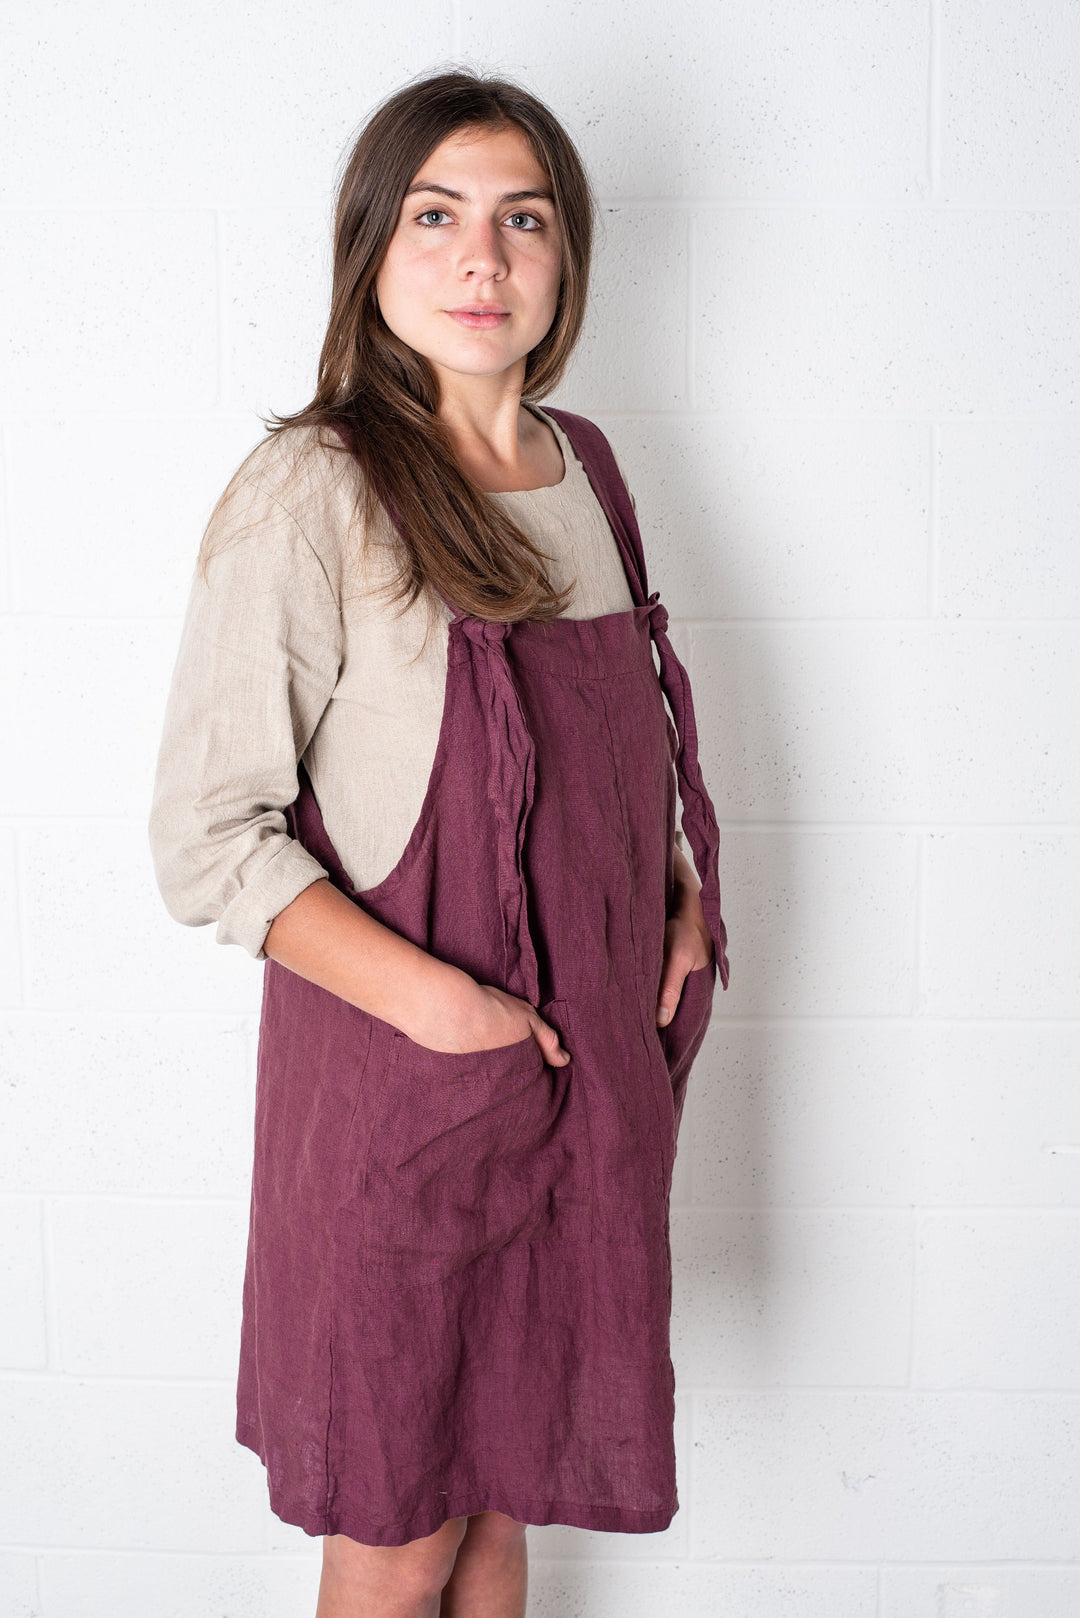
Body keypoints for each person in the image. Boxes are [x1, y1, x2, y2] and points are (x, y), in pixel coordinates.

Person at [148, 66, 731, 1618]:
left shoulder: (586, 468)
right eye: (437, 217)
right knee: (399, 1533)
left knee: (499, 1502)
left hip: (575, 1090)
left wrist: (667, 896)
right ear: (373, 251)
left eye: (522, 220)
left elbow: (614, 759)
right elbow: (209, 837)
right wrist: (439, 1008)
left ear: (566, 258)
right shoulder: (316, 490)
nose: (484, 260)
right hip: (407, 1104)